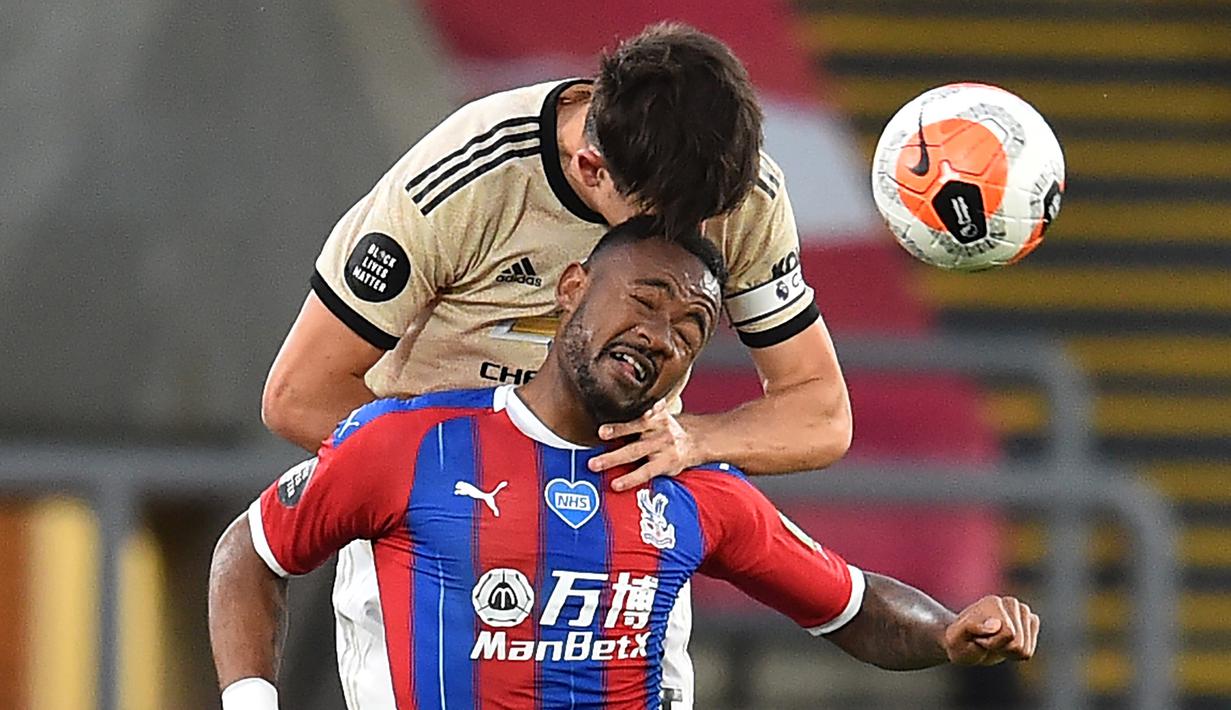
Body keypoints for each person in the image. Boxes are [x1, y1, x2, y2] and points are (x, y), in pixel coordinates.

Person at [213, 219, 1039, 709]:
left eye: (690, 326)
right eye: (644, 300)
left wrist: (949, 633)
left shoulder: (694, 486)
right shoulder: (409, 441)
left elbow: (851, 608)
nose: (661, 333)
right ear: (572, 287)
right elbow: (249, 553)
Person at [262, 22, 851, 704]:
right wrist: (452, 482)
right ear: (589, 168)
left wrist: (692, 441)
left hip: (619, 534)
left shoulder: (736, 192)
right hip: (443, 539)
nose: (681, 244)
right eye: (659, 224)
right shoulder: (463, 182)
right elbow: (299, 394)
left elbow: (820, 413)